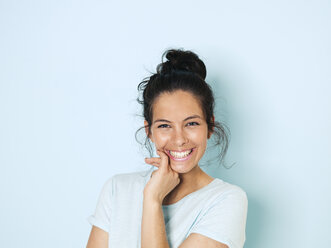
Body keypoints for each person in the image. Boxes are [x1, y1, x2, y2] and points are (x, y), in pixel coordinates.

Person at [86, 49, 248, 248]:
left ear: (210, 126)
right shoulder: (116, 189)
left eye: (191, 124)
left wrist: (153, 200)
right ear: (149, 130)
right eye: (164, 126)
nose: (179, 140)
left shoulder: (226, 200)